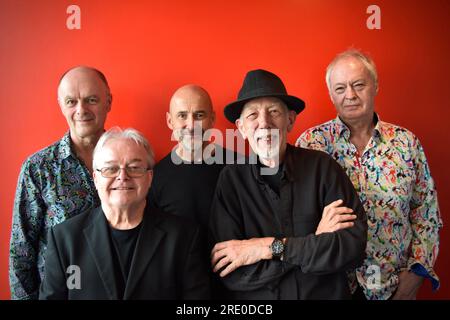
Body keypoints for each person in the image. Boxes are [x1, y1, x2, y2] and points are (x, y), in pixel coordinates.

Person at [296, 49, 443, 300]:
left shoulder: (406, 143)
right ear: (331, 94)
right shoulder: (310, 144)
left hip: (393, 286)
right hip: (331, 286)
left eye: (359, 85)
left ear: (375, 86)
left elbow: (426, 213)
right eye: (340, 88)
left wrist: (417, 274)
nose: (350, 95)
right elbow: (294, 215)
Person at [209, 69, 368, 299]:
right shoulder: (231, 181)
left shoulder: (323, 168)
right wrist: (313, 243)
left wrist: (265, 248)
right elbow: (232, 273)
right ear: (241, 127)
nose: (264, 123)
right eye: (253, 115)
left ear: (290, 120)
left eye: (274, 111)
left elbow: (351, 249)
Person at [39, 128, 210, 299]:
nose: (122, 176)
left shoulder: (184, 237)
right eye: (111, 169)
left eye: (134, 167)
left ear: (149, 177)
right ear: (96, 178)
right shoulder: (65, 238)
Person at [9, 66, 112, 300]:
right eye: (71, 101)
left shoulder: (129, 159)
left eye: (91, 99)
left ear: (108, 102)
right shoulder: (39, 168)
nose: (81, 110)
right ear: (60, 105)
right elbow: (21, 252)